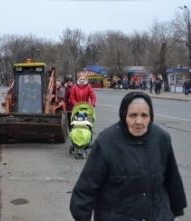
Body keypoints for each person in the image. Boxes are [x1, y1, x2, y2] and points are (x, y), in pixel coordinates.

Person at [70, 92, 187, 221]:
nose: (139, 121)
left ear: (151, 117)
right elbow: (86, 188)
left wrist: (175, 211)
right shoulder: (107, 142)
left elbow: (173, 180)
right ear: (124, 115)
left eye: (144, 115)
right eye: (133, 115)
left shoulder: (161, 138)